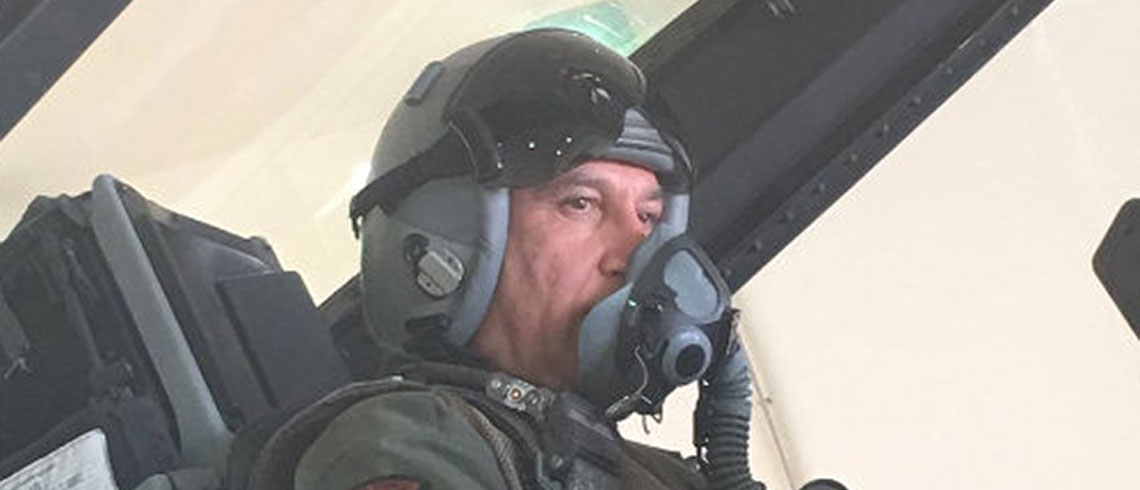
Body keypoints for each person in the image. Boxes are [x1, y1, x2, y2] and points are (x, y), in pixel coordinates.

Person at [242, 28, 757, 490]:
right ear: (450, 249)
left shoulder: (636, 466)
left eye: (648, 217)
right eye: (581, 204)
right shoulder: (405, 444)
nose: (637, 250)